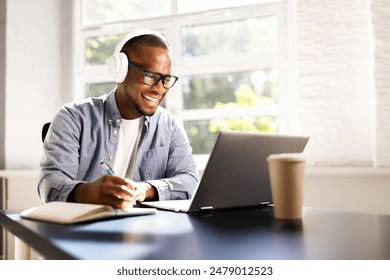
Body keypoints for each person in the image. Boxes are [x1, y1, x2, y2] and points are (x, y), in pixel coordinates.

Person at [38, 29, 199, 210]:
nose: (159, 89)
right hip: (83, 229)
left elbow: (190, 181)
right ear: (120, 70)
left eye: (166, 79)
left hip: (145, 230)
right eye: (150, 77)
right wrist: (88, 192)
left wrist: (145, 189)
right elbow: (49, 183)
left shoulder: (170, 126)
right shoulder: (72, 117)